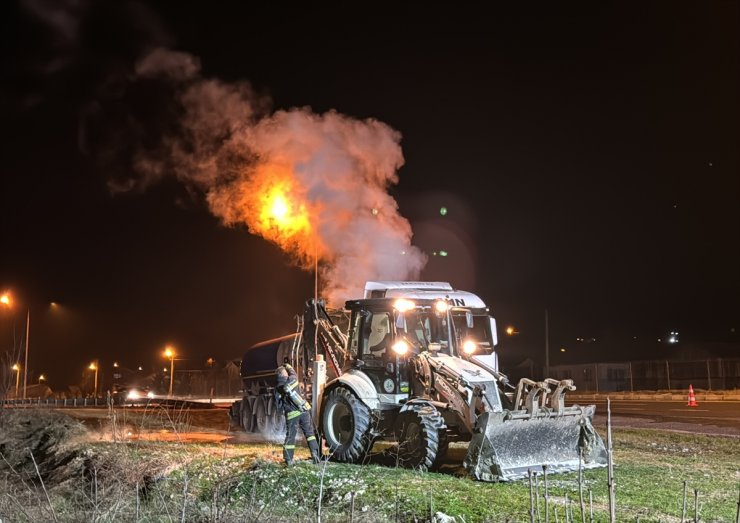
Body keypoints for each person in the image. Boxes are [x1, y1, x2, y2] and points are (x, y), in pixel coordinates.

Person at [275, 362, 320, 466]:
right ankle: (315, 455)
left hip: (291, 415)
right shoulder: (293, 379)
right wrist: (288, 366)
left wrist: (284, 410)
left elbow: (278, 405)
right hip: (304, 411)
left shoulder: (277, 388)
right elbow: (293, 373)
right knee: (310, 434)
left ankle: (289, 460)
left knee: (290, 436)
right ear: (286, 374)